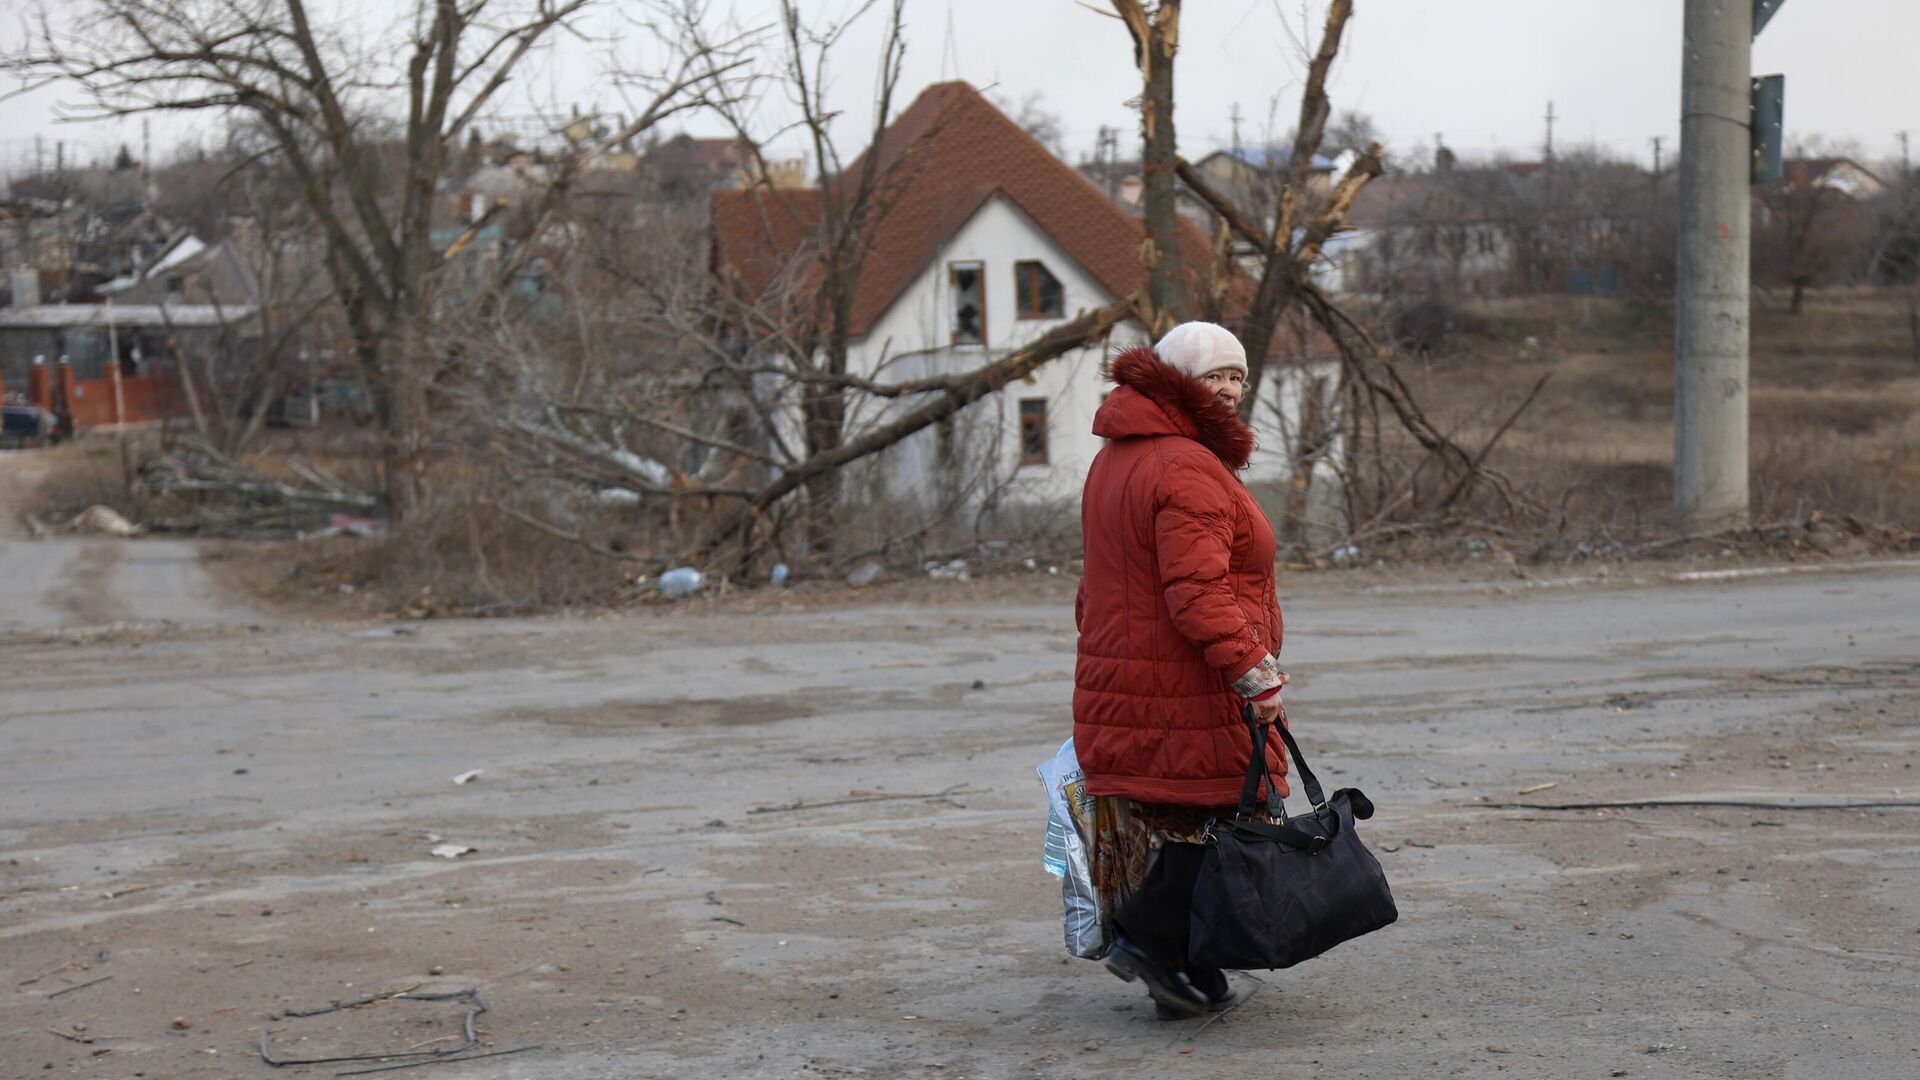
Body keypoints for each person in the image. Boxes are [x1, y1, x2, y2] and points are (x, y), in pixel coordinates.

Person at [1073, 321, 1288, 1018]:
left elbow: (1100, 587)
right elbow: (1198, 591)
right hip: (1184, 680)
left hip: (1137, 676)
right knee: (1222, 815)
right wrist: (1253, 672)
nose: (1228, 389)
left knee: (1195, 817)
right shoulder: (1183, 465)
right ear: (1176, 381)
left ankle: (1188, 973)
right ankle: (1148, 938)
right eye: (1213, 375)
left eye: (1238, 377)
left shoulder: (1118, 457)